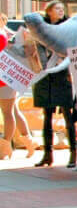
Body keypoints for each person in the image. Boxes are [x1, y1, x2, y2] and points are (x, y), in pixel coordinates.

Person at [29, 1, 75, 167]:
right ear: (48, 11)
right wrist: (44, 66)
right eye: (57, 8)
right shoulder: (41, 29)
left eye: (62, 8)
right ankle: (47, 154)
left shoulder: (69, 27)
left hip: (63, 73)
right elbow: (38, 49)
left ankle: (73, 154)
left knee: (67, 114)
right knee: (46, 116)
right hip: (46, 74)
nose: (61, 10)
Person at [0, 13, 38, 160]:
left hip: (4, 80)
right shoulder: (6, 35)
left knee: (8, 112)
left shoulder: (2, 36)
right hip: (8, 79)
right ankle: (29, 142)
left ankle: (5, 147)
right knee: (13, 111)